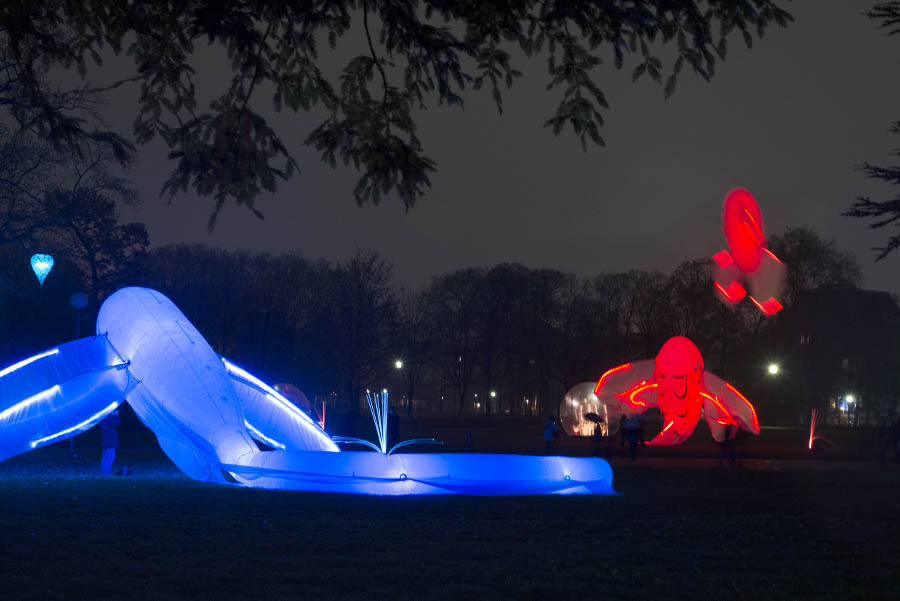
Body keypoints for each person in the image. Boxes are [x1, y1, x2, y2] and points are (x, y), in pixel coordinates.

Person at [99, 409, 122, 476]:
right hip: (110, 441)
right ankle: (106, 472)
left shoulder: (103, 418)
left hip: (105, 441)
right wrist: (116, 415)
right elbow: (118, 423)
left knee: (105, 457)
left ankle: (103, 472)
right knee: (110, 457)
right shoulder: (109, 418)